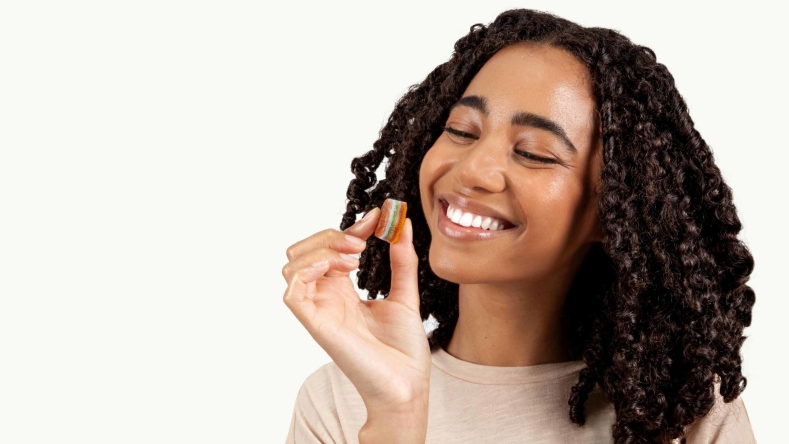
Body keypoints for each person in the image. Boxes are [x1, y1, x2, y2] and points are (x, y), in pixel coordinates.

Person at [281, 8, 756, 444]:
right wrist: (397, 414)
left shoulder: (682, 411)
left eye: (533, 153)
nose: (471, 171)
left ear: (608, 211)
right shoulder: (341, 402)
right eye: (461, 131)